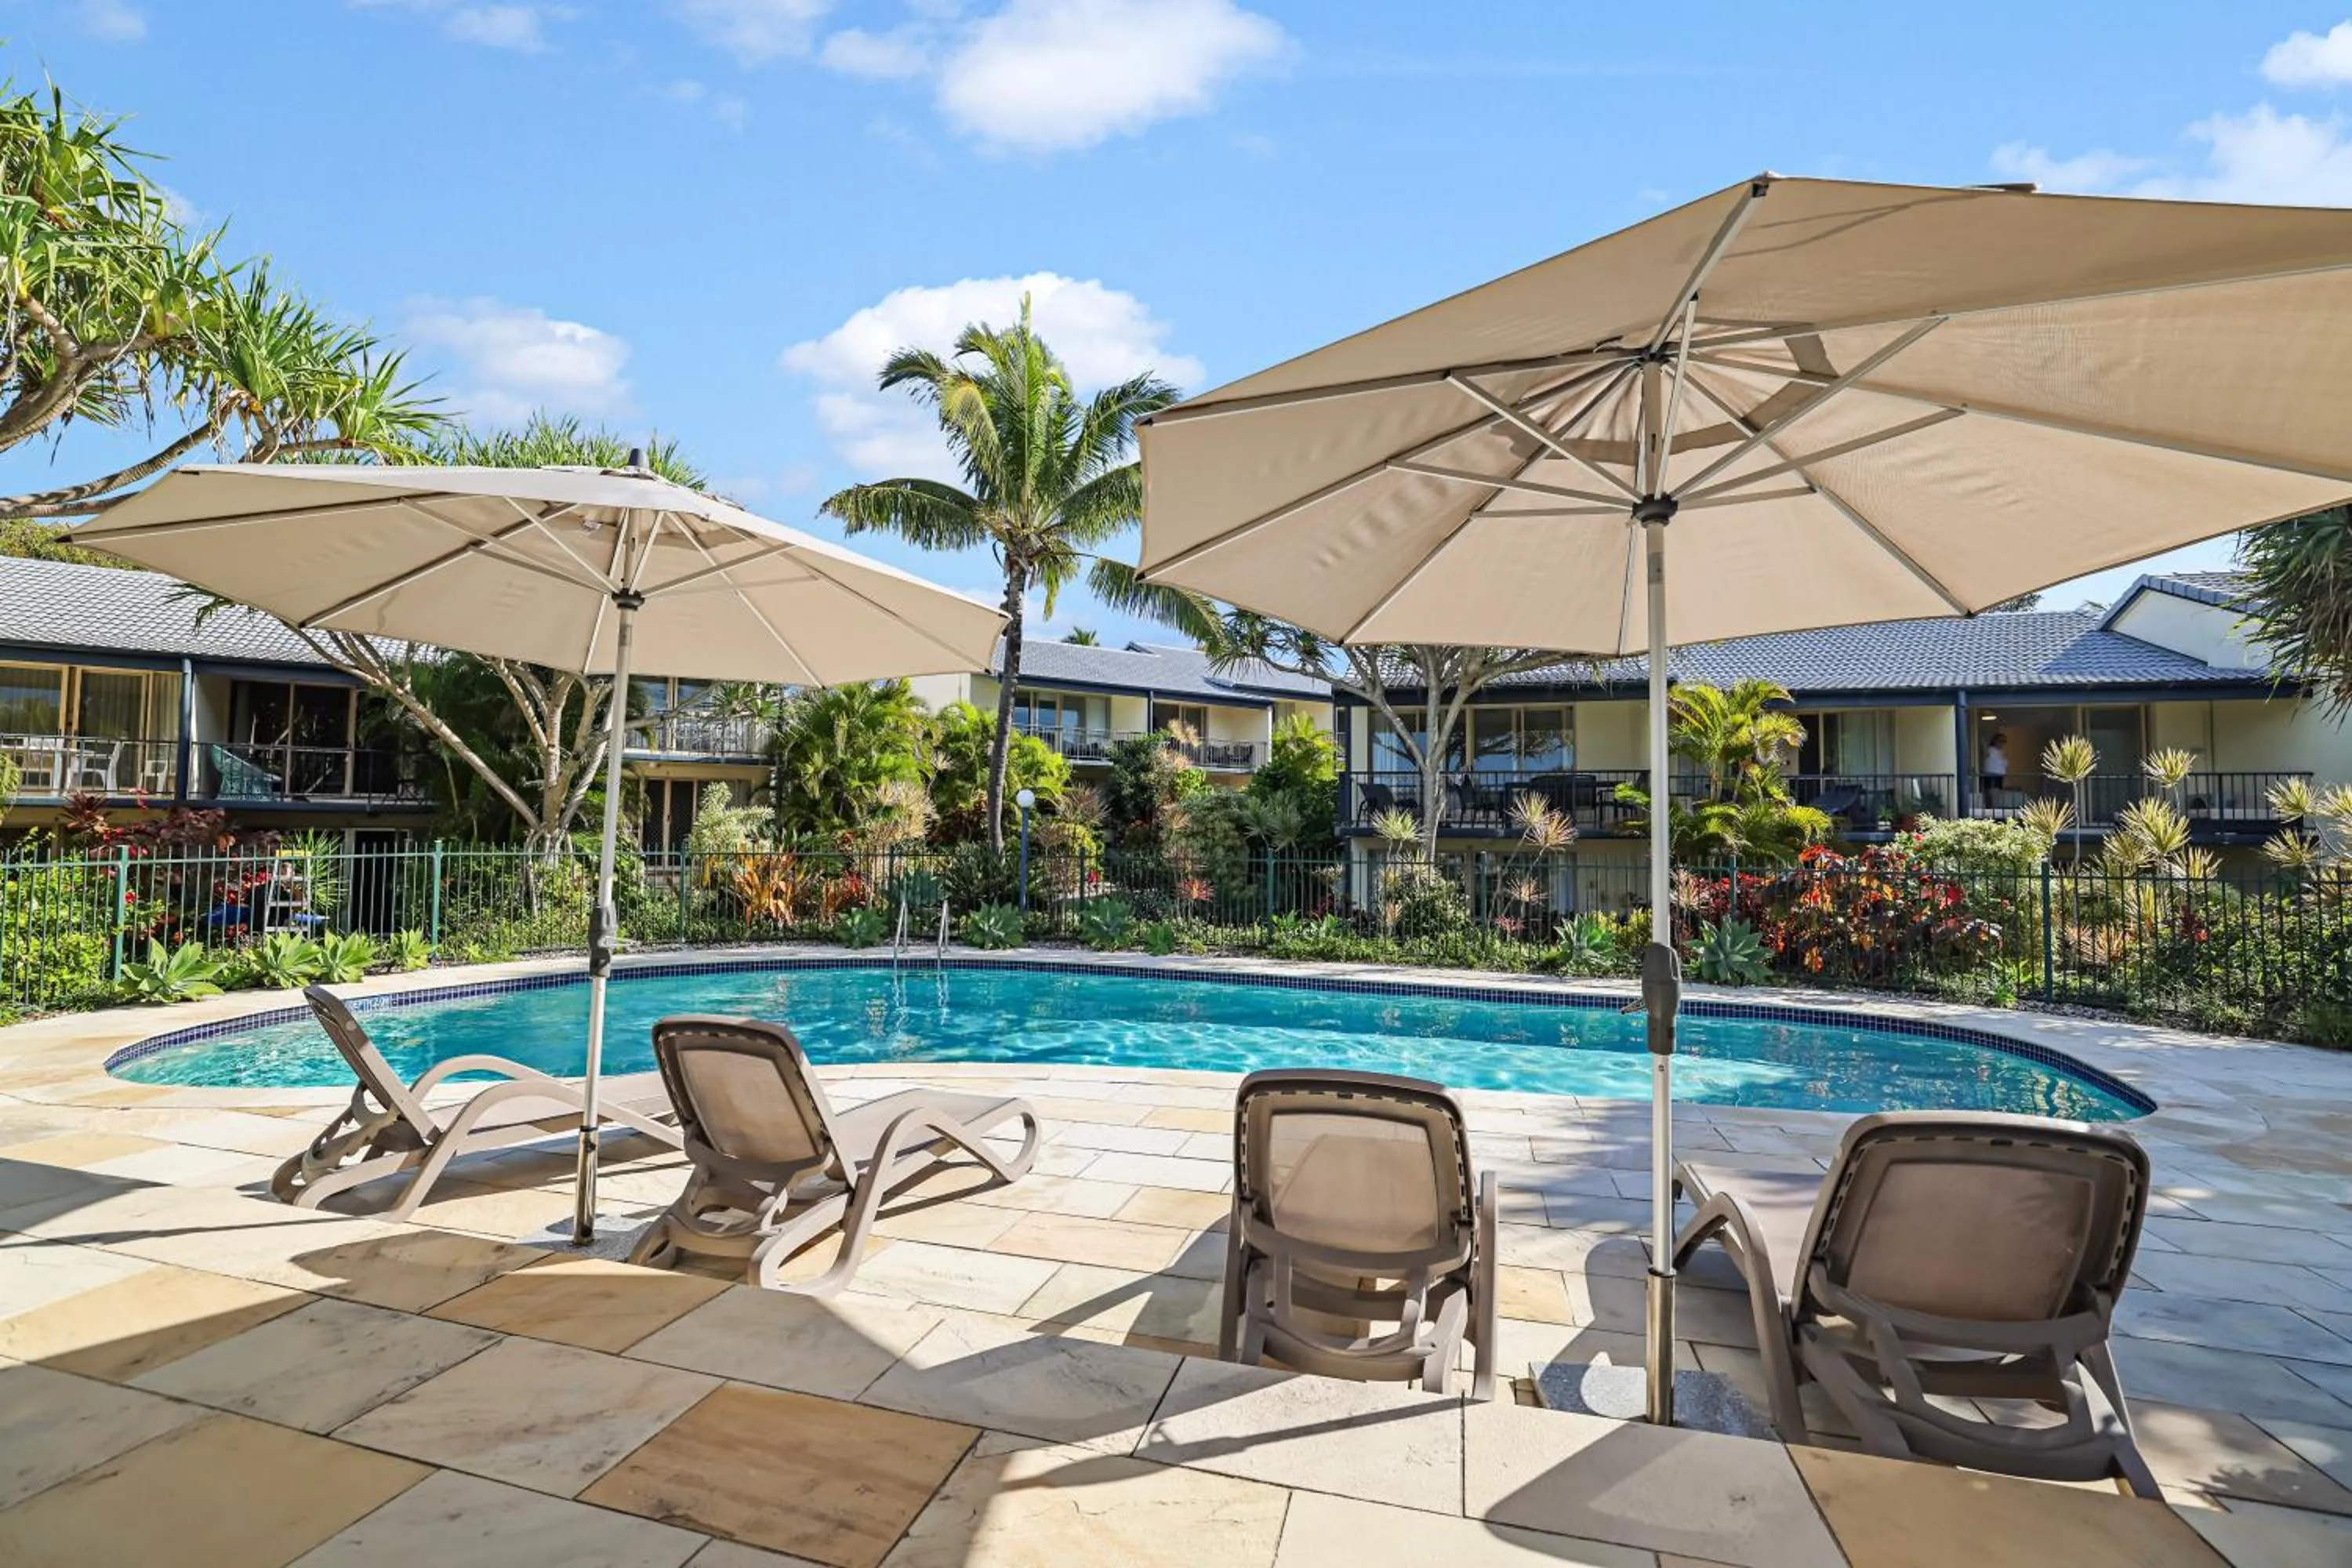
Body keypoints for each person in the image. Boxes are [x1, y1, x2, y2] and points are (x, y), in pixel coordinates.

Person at [1983, 731, 2009, 800]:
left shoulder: (2003, 752)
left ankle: (1995, 808)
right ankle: (1992, 809)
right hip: (1992, 775)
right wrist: (1983, 742)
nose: (2002, 743)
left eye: (2004, 741)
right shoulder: (1990, 750)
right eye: (2000, 741)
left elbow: (2005, 766)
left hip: (2000, 776)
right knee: (1993, 795)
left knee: (1998, 795)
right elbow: (1985, 752)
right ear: (1995, 741)